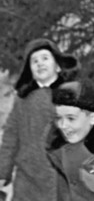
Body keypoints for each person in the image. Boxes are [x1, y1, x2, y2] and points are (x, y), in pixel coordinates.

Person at [0, 37, 78, 201]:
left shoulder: (72, 97)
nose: (40, 63)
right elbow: (10, 138)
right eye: (34, 61)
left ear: (57, 66)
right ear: (30, 70)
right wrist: (2, 172)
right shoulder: (22, 100)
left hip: (63, 178)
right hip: (28, 179)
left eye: (45, 58)